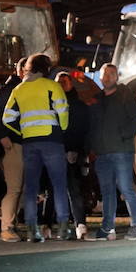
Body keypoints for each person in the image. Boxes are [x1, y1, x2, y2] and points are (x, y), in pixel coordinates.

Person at [1, 54, 71, 243]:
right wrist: (60, 130)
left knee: (31, 188)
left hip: (29, 143)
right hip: (52, 140)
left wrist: (23, 131)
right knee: (58, 185)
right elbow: (63, 110)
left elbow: (6, 119)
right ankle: (63, 229)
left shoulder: (18, 89)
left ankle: (32, 231)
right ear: (46, 68)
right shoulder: (52, 86)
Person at [87, 62, 136, 240]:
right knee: (106, 191)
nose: (107, 78)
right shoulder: (97, 99)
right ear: (100, 77)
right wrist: (91, 147)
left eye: (111, 74)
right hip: (102, 154)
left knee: (126, 188)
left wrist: (123, 134)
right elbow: (92, 126)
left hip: (121, 151)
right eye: (104, 75)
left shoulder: (125, 96)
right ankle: (107, 228)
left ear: (117, 77)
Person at [0, 58, 28, 242]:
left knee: (20, 188)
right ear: (21, 71)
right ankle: (6, 227)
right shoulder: (10, 90)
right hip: (13, 144)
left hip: (20, 143)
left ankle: (10, 224)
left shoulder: (16, 89)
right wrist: (2, 136)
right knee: (14, 188)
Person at [55, 72, 91, 240]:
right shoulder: (51, 104)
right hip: (54, 151)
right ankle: (56, 225)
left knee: (73, 188)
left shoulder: (78, 106)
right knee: (54, 190)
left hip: (72, 153)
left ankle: (80, 223)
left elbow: (81, 129)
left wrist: (75, 150)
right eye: (59, 82)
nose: (62, 85)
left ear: (71, 84)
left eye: (65, 81)